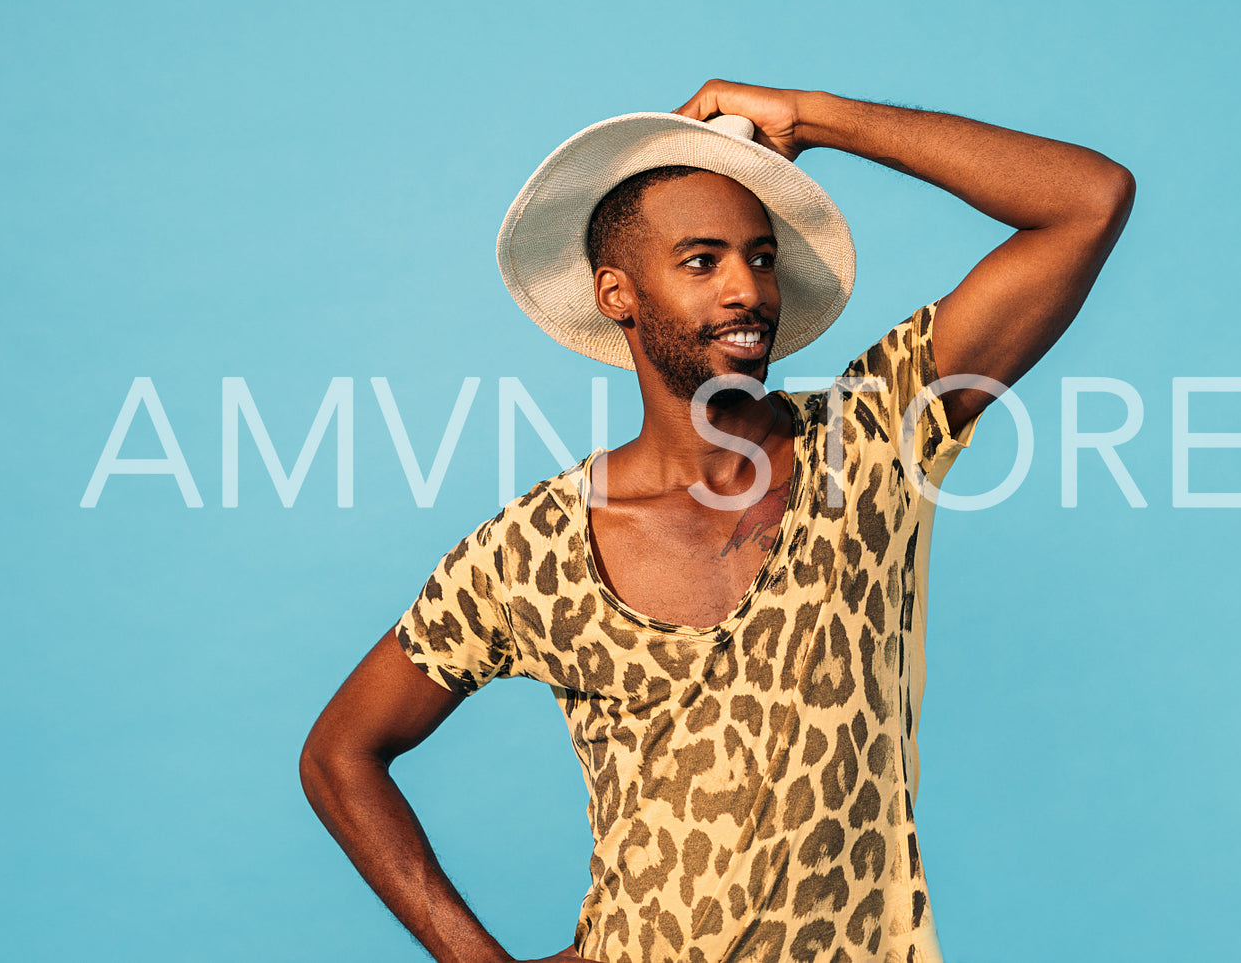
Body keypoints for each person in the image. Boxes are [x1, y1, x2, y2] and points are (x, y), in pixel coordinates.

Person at [300, 79, 1134, 963]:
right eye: (701, 260)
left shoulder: (868, 439)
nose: (747, 288)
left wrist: (811, 119)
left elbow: (1086, 200)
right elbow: (340, 753)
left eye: (763, 257)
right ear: (618, 292)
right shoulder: (533, 550)